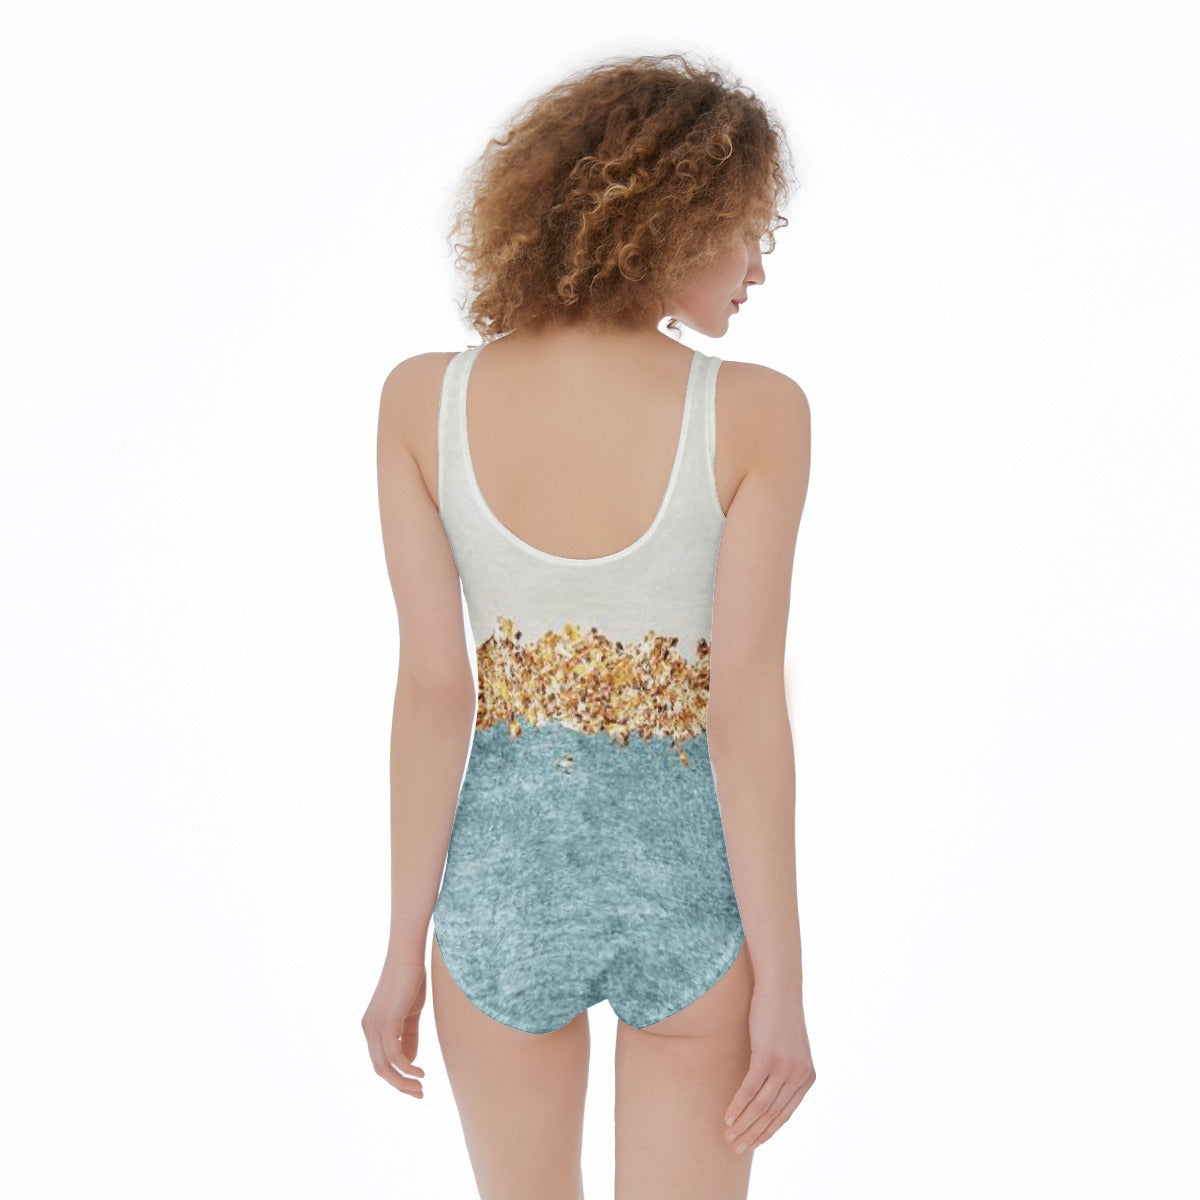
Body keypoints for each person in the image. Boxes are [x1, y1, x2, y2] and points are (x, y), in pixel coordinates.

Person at [362, 51, 815, 1199]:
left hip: (496, 903)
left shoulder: (423, 400)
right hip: (691, 908)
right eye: (746, 231)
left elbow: (435, 693)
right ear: (672, 219)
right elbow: (744, 712)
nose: (759, 266)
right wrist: (784, 985)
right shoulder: (757, 412)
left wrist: (403, 946)